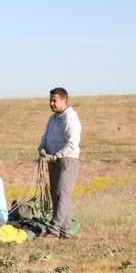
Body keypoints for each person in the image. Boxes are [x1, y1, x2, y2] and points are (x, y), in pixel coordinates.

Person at [39, 87, 82, 239]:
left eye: (54, 100)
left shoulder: (70, 117)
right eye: (50, 100)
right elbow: (46, 137)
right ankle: (65, 232)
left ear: (64, 100)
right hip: (53, 160)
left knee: (62, 195)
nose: (51, 103)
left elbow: (72, 143)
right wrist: (42, 148)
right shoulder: (52, 118)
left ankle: (54, 230)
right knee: (60, 195)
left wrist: (56, 155)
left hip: (67, 160)